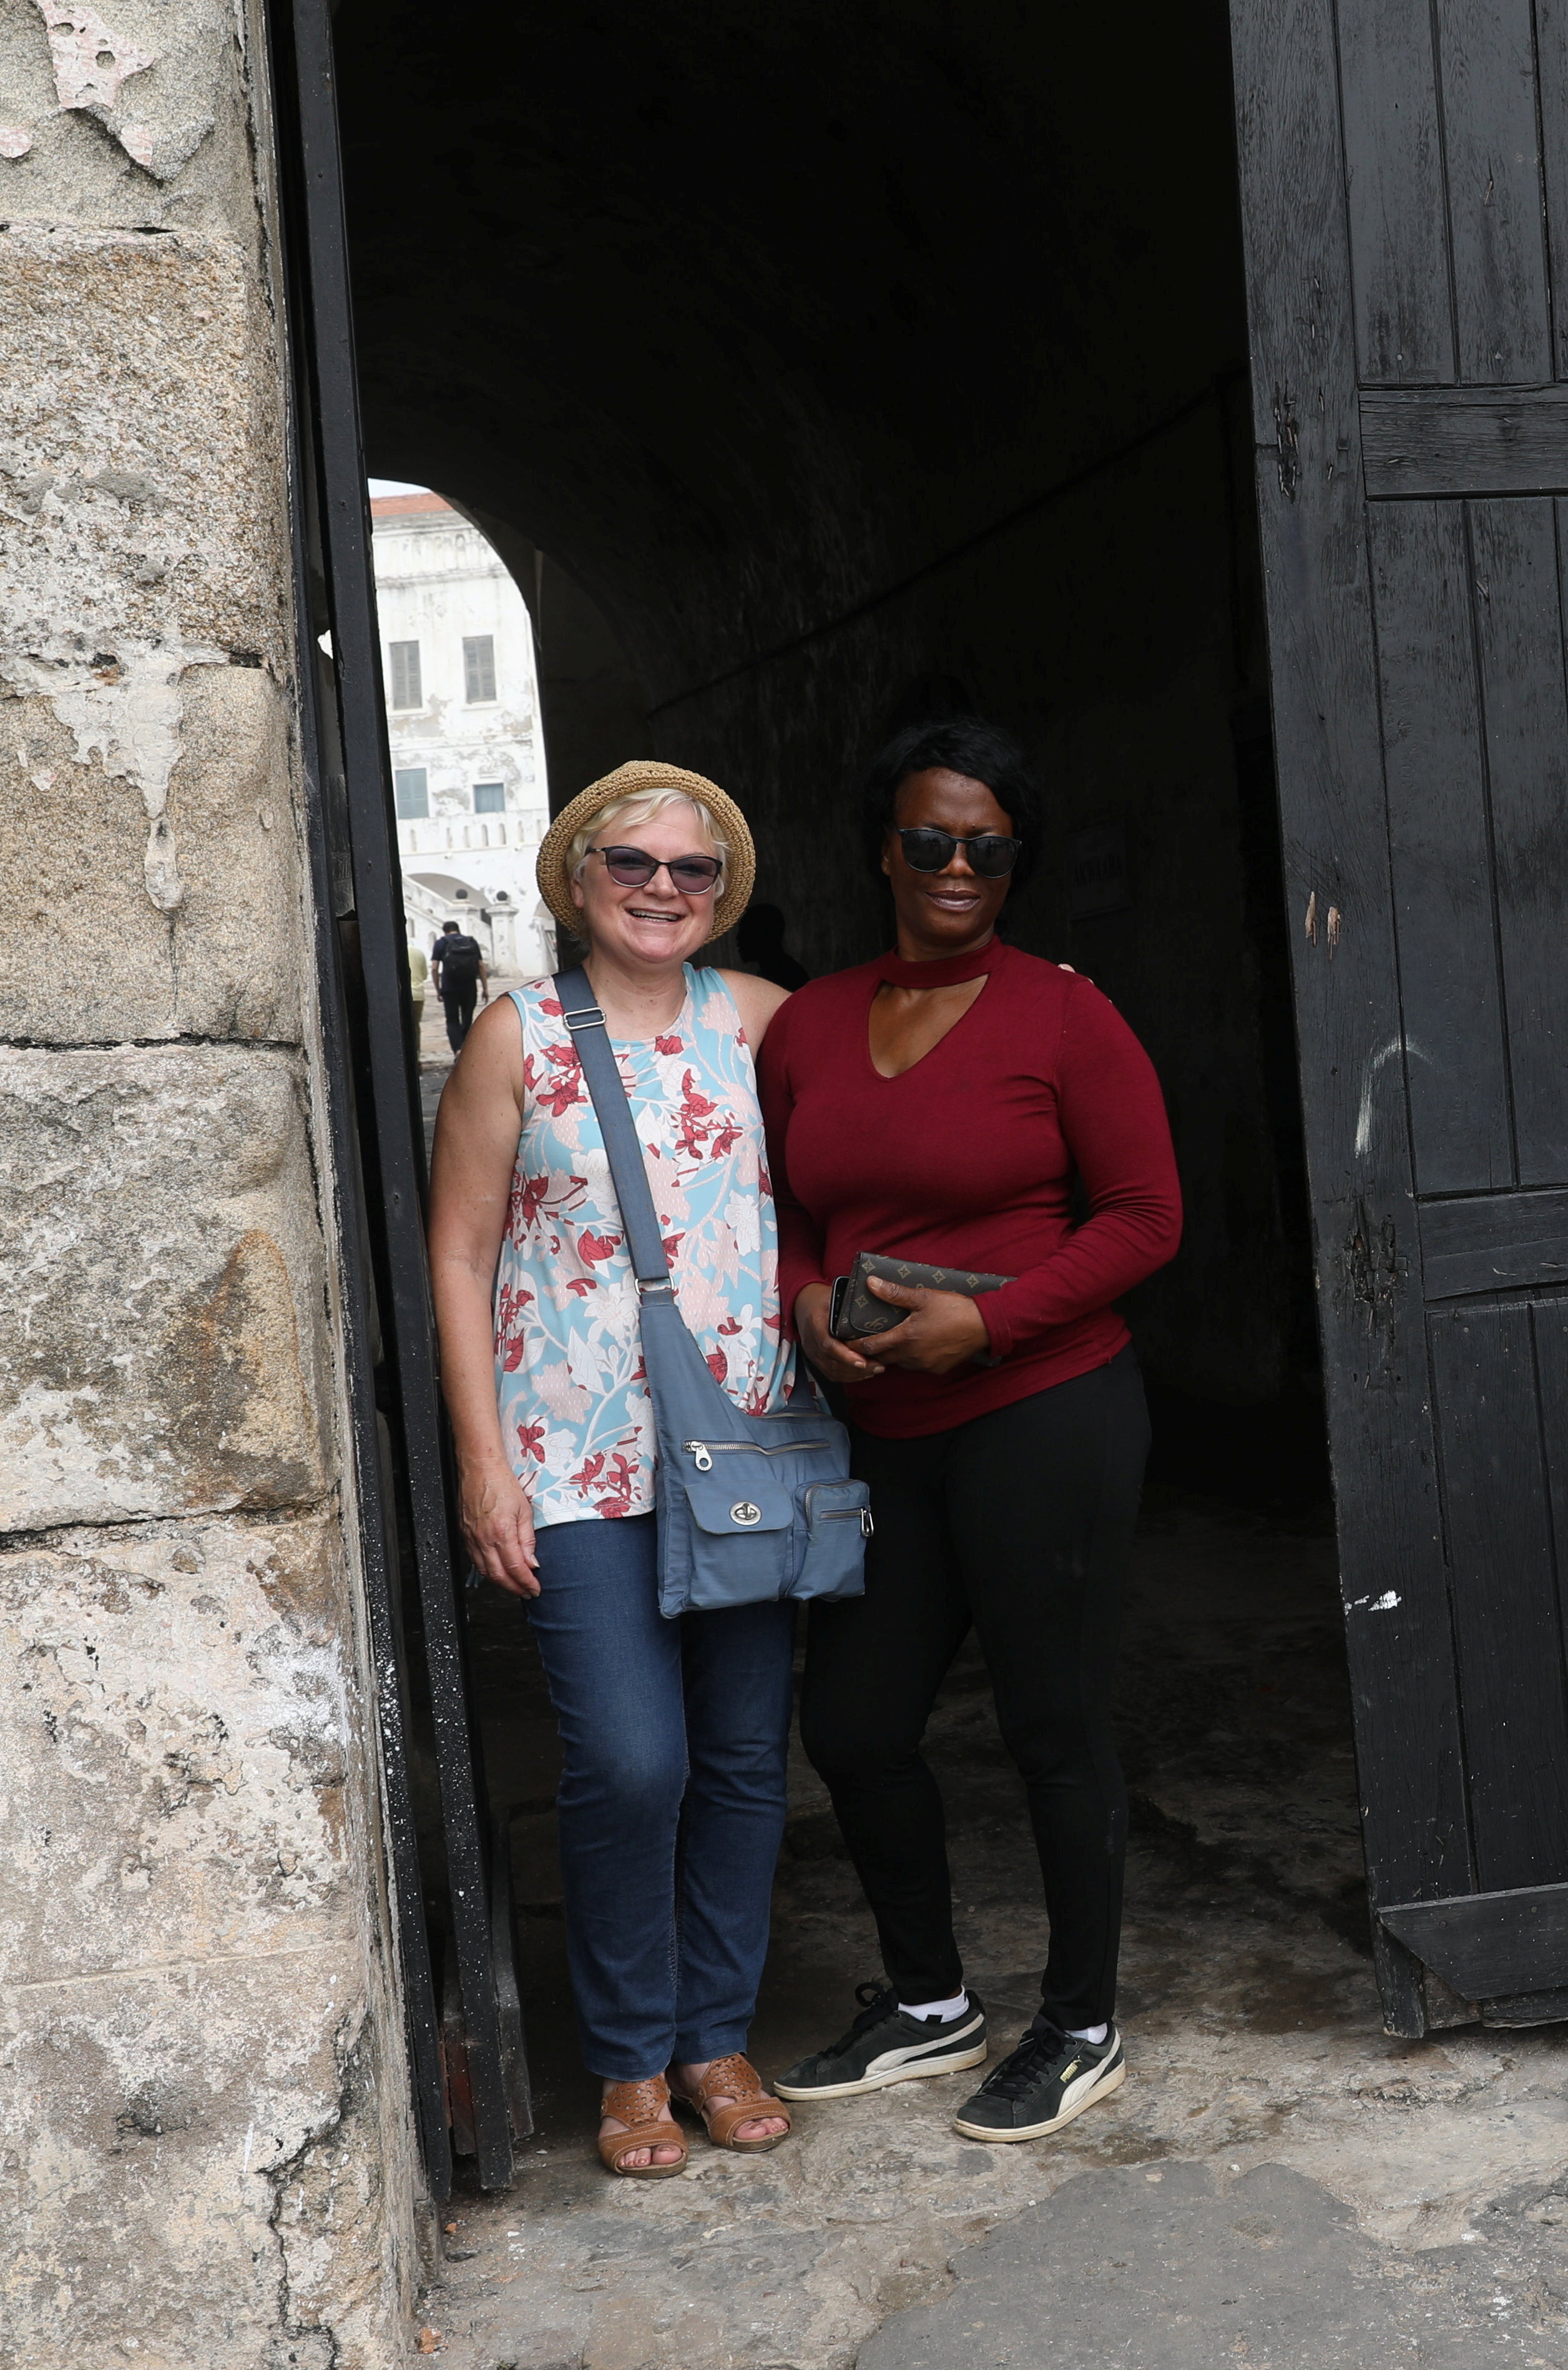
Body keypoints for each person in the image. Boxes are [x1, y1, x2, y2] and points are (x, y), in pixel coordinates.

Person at [757, 717, 1183, 2145]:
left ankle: (1079, 2023)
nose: (955, 864)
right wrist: (804, 1293)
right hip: (885, 1427)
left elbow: (1144, 1218)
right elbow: (797, 1203)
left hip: (1044, 1410)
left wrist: (988, 1325)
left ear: (1015, 861)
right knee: (856, 1719)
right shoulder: (812, 1020)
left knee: (1051, 1721)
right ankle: (931, 1998)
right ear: (884, 847)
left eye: (985, 845)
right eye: (929, 838)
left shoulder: (1066, 1013)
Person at [423, 761, 803, 2180]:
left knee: (747, 1763)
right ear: (579, 878)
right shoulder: (517, 1041)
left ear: (721, 893)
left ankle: (714, 2035)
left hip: (744, 1450)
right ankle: (631, 2054)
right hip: (569, 1458)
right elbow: (458, 1254)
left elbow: (894, 1099)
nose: (660, 888)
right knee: (633, 1761)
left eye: (688, 871)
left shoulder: (764, 1022)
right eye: (631, 864)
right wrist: (481, 1464)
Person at [430, 920, 486, 1054]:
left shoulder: (441, 943)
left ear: (445, 931)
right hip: (470, 987)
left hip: (450, 988)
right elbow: (481, 966)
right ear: (458, 930)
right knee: (468, 1019)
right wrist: (485, 988)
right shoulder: (471, 942)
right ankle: (467, 1050)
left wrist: (438, 990)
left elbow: (434, 968)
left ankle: (458, 1050)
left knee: (452, 1020)